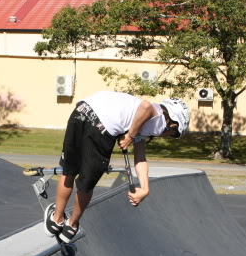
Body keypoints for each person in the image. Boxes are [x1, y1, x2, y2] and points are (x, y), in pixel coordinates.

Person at [45, 90, 190, 243]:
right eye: (173, 134)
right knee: (86, 184)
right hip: (101, 128)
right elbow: (146, 107)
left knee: (69, 172)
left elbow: (140, 157)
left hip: (82, 111)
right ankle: (72, 224)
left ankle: (56, 219)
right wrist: (130, 136)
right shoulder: (159, 117)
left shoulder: (139, 115)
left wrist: (145, 188)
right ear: (173, 124)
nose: (168, 136)